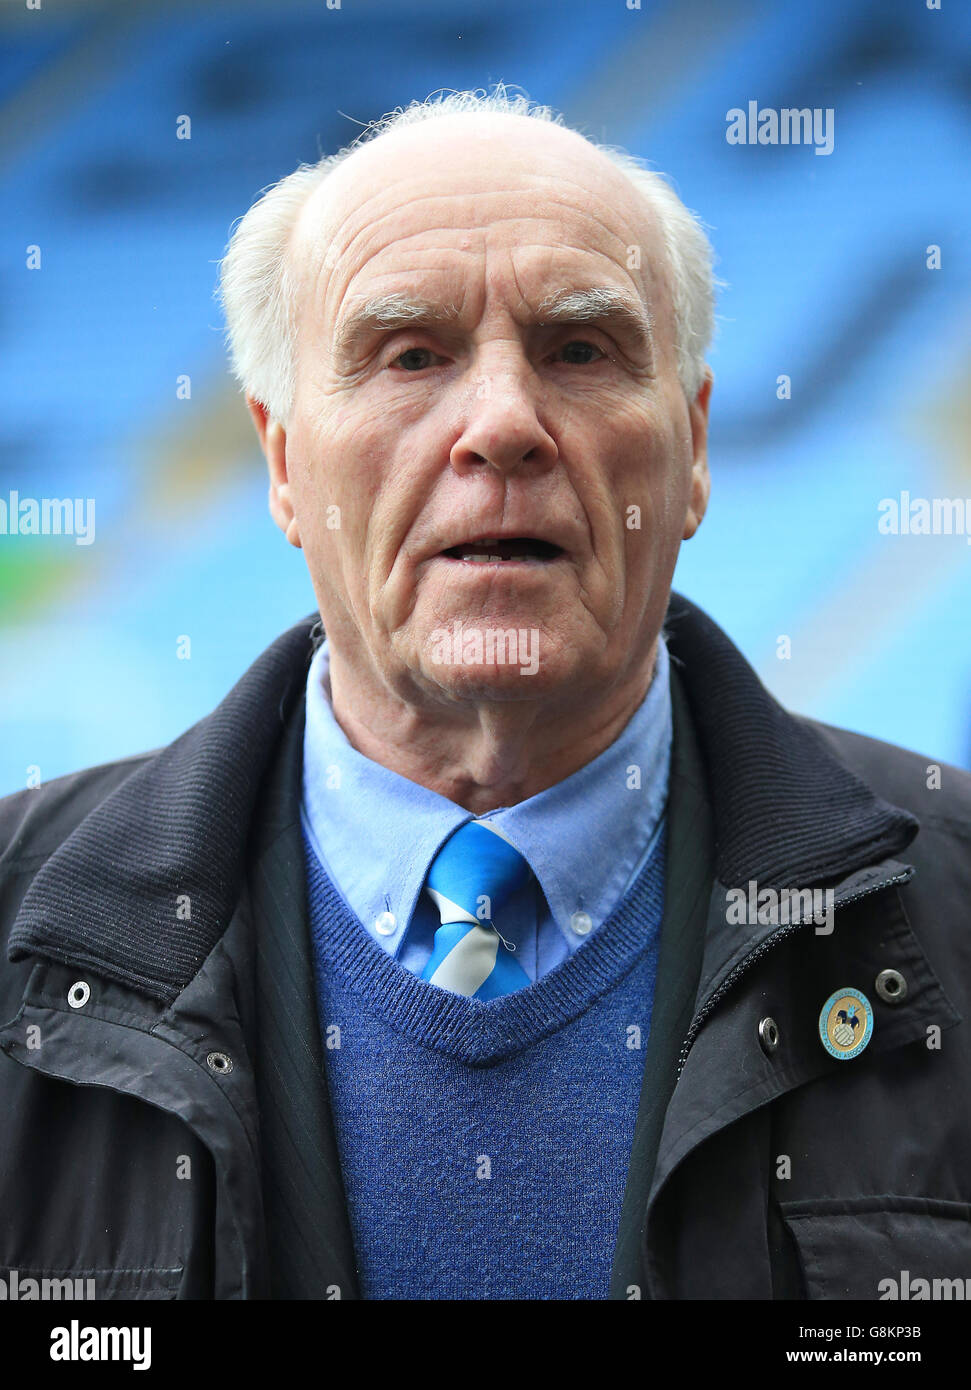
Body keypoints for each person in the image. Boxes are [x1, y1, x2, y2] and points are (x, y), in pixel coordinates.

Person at [1, 87, 969, 1302]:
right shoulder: (21, 927)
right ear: (285, 462)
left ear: (693, 450)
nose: (502, 425)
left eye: (579, 349)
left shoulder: (946, 904)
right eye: (410, 355)